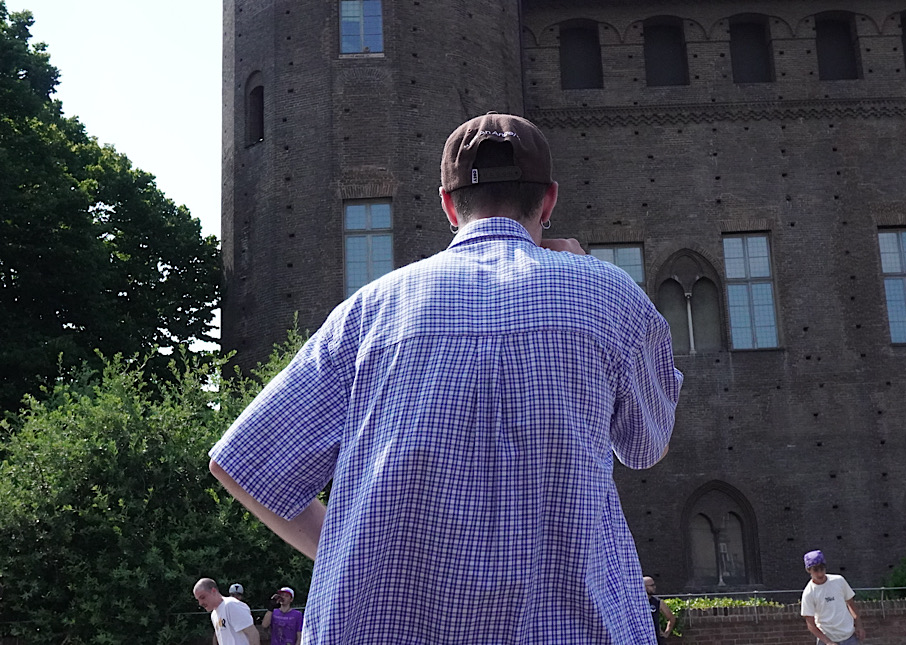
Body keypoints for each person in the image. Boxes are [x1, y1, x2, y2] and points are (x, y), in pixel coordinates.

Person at [208, 112, 683, 644]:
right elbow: (649, 445)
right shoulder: (609, 297)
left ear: (448, 205)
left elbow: (242, 464)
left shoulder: (370, 312)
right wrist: (589, 271)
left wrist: (350, 550)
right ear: (548, 201)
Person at [800, 550, 866, 645]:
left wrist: (859, 625)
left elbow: (851, 604)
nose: (820, 573)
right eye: (815, 570)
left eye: (822, 569)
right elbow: (810, 624)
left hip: (850, 636)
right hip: (827, 638)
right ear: (808, 570)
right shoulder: (809, 593)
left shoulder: (839, 580)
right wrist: (828, 642)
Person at [193, 578, 260, 645]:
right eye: (198, 600)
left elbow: (253, 634)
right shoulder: (214, 614)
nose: (200, 603)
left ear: (213, 591)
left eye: (202, 597)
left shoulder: (231, 605)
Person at [643, 576, 677, 643]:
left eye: (654, 585)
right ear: (644, 587)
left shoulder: (657, 602)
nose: (654, 587)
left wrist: (666, 633)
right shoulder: (636, 603)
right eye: (651, 585)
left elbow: (671, 618)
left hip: (656, 639)